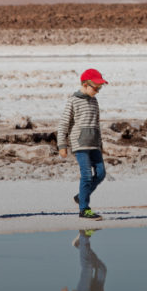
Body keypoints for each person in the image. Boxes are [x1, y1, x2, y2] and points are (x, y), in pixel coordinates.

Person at [57, 68, 108, 220]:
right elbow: (63, 124)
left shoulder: (94, 101)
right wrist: (62, 146)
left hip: (94, 144)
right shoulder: (73, 100)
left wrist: (100, 144)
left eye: (100, 88)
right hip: (80, 145)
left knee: (101, 173)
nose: (98, 91)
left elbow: (96, 124)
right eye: (96, 87)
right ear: (85, 84)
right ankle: (84, 209)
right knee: (86, 176)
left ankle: (81, 196)